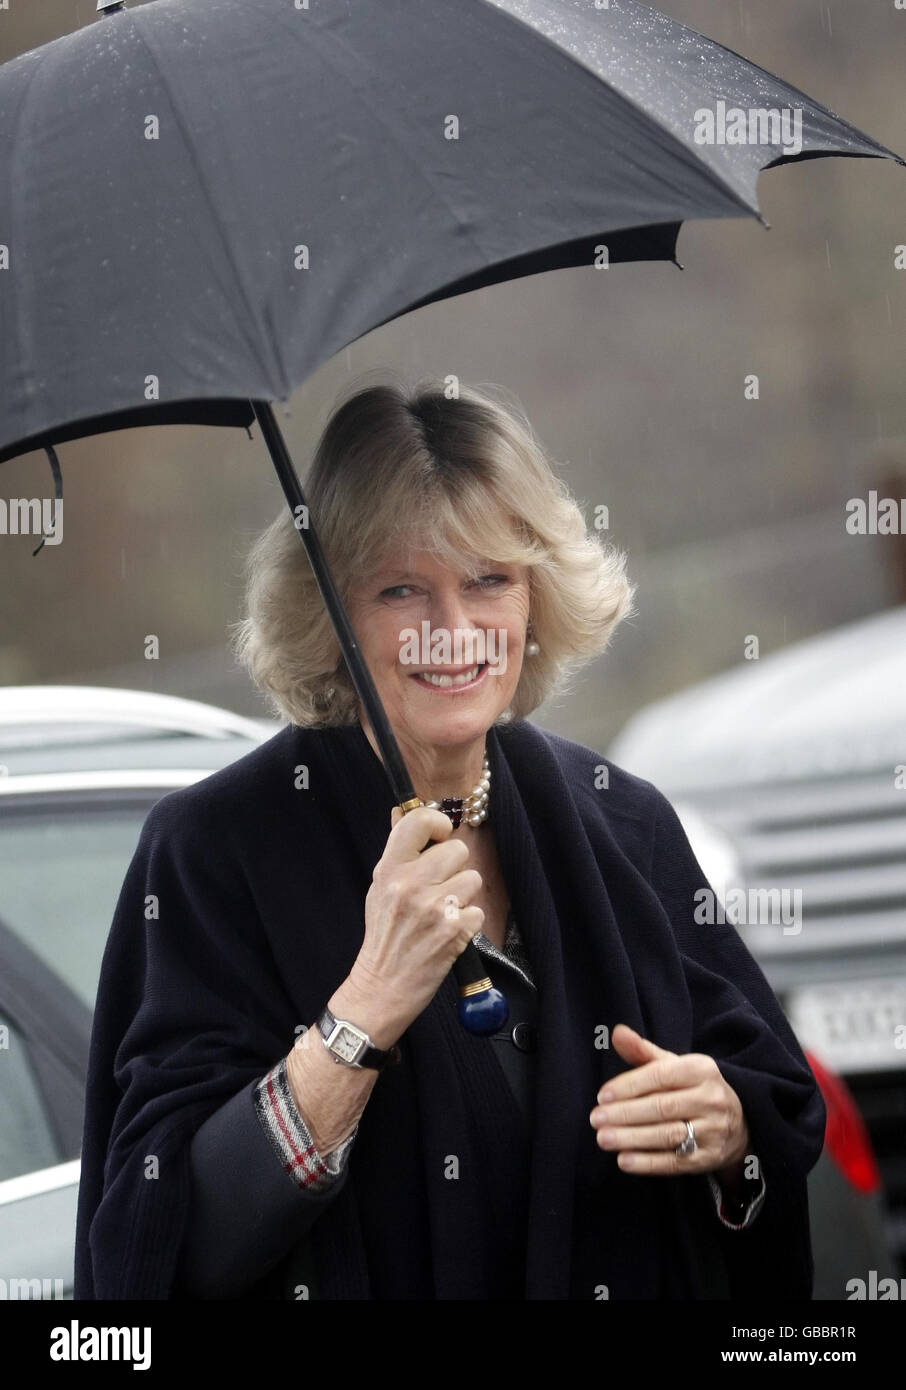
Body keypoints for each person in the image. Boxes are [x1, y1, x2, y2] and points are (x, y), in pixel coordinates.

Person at [73, 377, 825, 1300]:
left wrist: (728, 1132)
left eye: (488, 581)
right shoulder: (207, 852)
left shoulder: (622, 819)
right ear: (331, 615)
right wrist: (364, 1010)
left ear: (536, 598)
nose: (453, 632)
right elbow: (157, 1248)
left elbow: (774, 1127)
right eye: (400, 589)